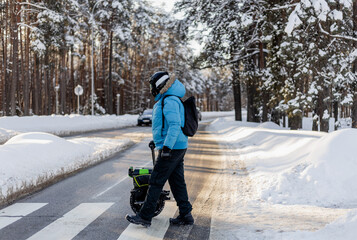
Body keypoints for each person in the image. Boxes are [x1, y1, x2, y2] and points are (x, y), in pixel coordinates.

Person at [125, 71, 194, 227]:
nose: (151, 88)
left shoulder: (169, 100)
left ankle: (145, 216)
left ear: (159, 84)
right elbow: (166, 126)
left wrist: (167, 146)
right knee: (177, 182)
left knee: (156, 180)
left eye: (152, 85)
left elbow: (175, 125)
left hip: (172, 147)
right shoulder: (169, 99)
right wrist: (158, 141)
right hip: (177, 146)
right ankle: (186, 214)